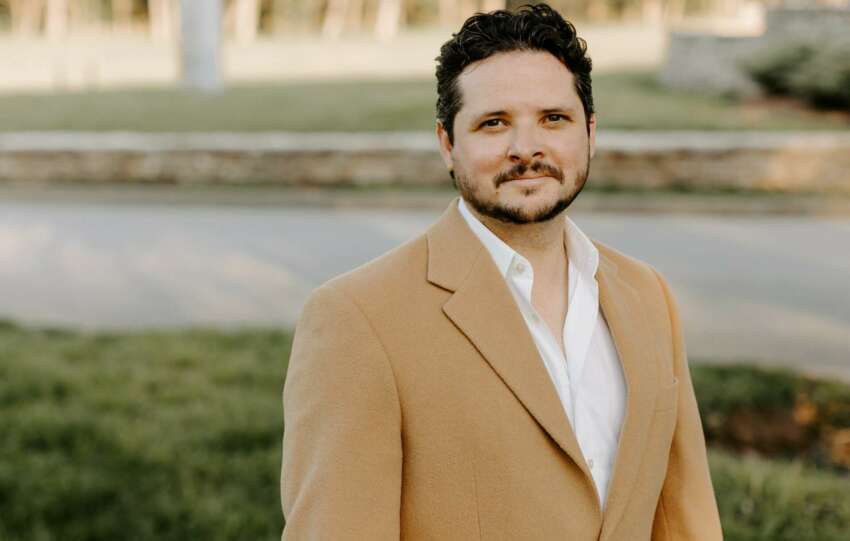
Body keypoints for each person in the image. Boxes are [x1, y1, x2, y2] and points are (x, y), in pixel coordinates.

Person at [280, 4, 722, 540]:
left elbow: (685, 519)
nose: (526, 148)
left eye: (553, 119)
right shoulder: (357, 319)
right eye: (494, 123)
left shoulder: (648, 295)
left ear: (590, 132)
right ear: (448, 143)